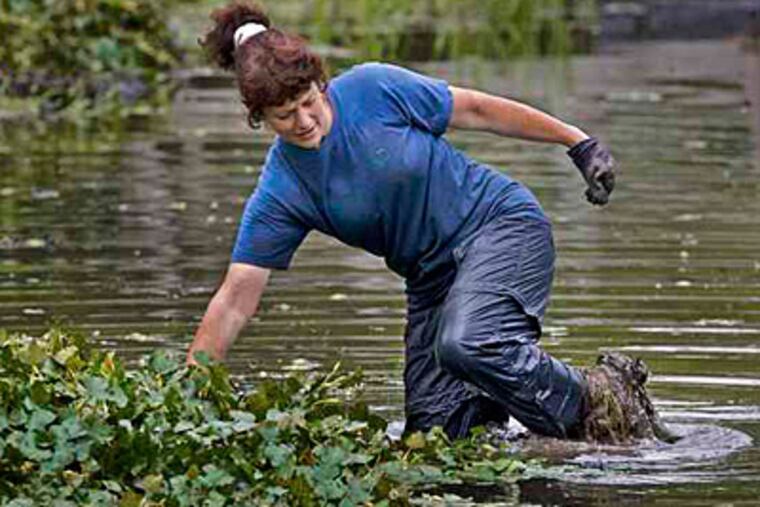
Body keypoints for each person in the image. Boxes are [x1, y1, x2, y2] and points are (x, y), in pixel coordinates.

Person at [187, 1, 620, 441]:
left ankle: (600, 399)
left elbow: (477, 110)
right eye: (284, 115)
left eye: (307, 102)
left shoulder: (373, 89)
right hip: (432, 281)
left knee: (468, 343)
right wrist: (186, 395)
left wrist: (578, 143)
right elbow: (235, 300)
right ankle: (576, 443)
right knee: (436, 438)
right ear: (260, 119)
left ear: (321, 84)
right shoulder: (282, 191)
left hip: (501, 227)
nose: (303, 121)